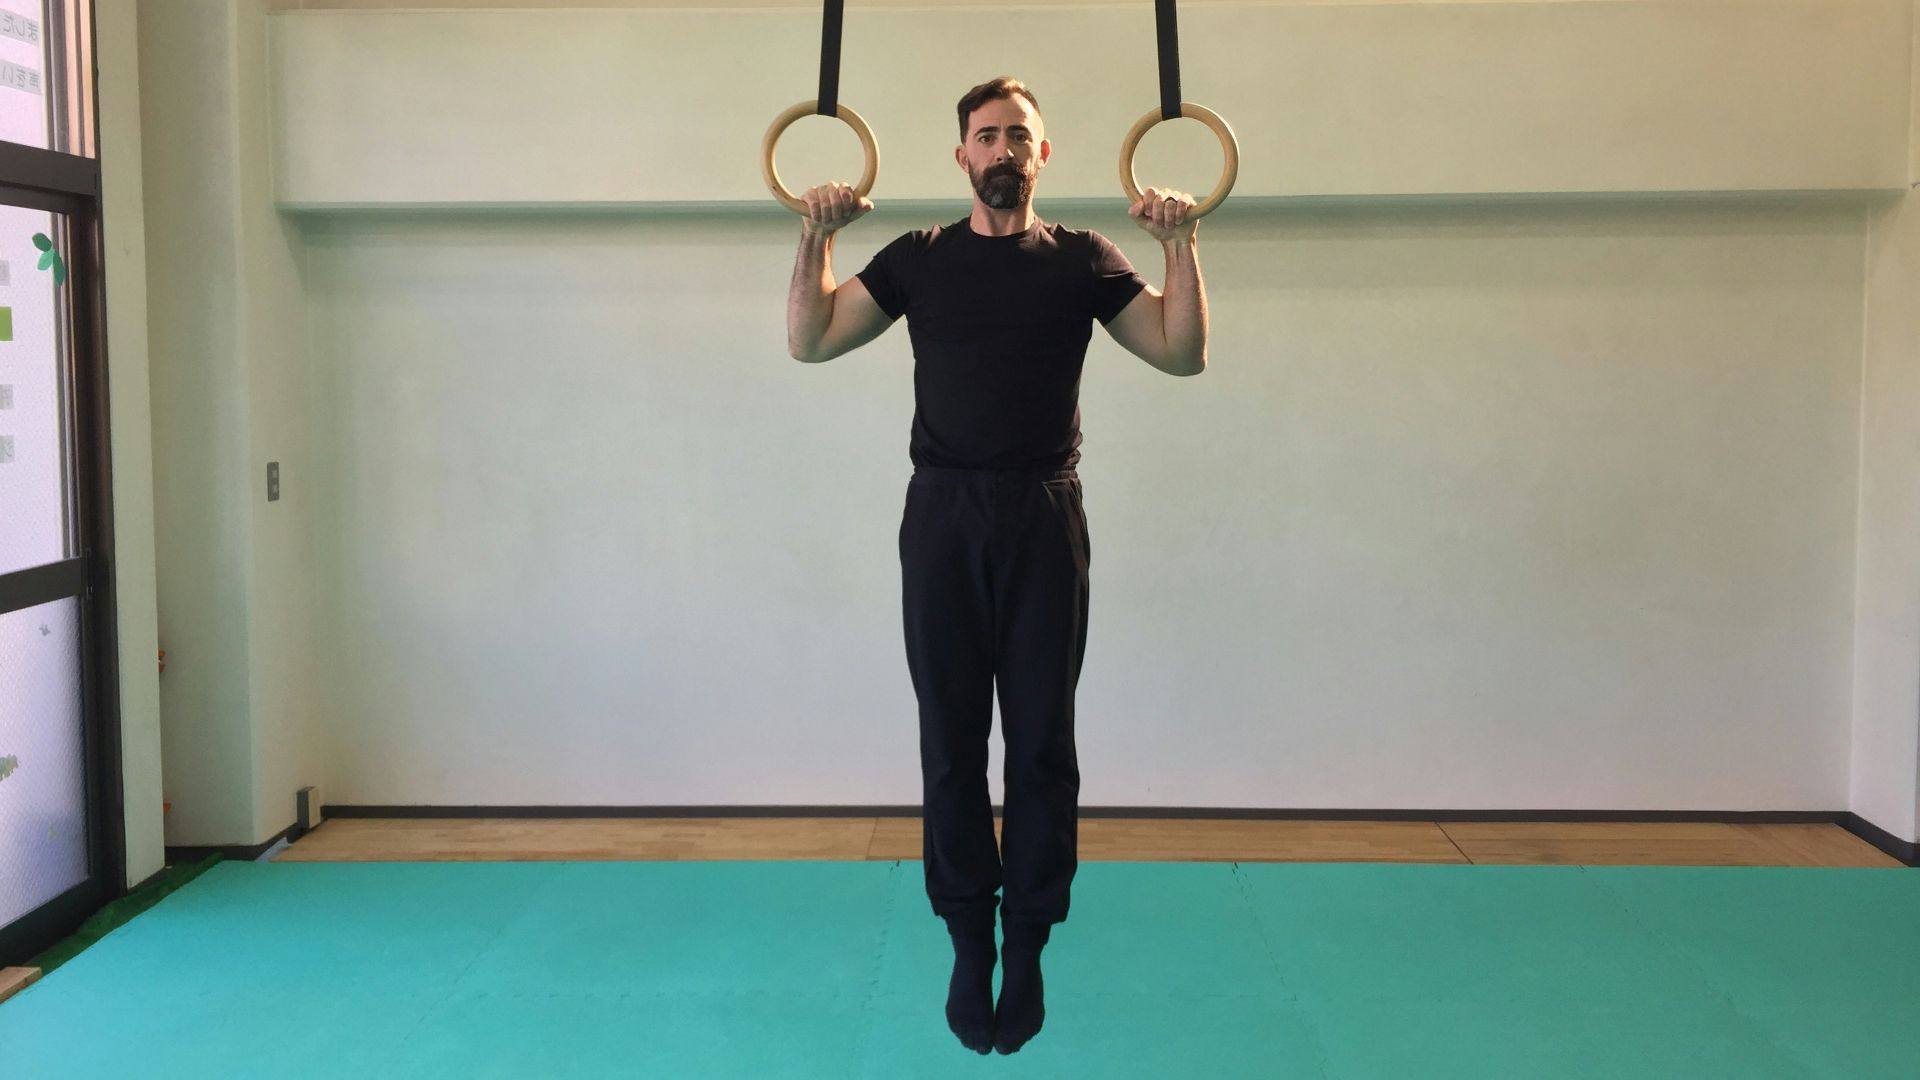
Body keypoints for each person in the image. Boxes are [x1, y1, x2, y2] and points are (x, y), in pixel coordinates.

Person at [785, 76, 1209, 1056]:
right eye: (987, 135)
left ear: (1043, 154)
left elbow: (1181, 352)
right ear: (962, 156)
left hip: (1042, 514)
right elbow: (809, 340)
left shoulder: (1083, 259)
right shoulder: (920, 259)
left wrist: (1181, 245)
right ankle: (969, 937)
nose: (1003, 148)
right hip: (942, 516)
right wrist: (815, 234)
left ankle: (1029, 940)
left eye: (1020, 134)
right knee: (950, 738)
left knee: (1041, 740)